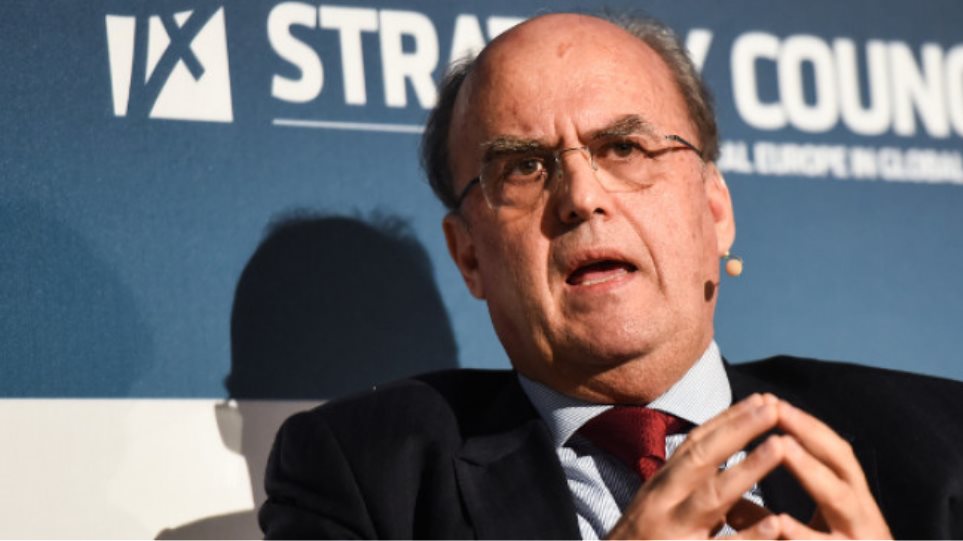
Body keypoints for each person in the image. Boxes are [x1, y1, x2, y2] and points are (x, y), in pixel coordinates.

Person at [258, 12, 963, 539]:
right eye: (523, 167)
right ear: (469, 254)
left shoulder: (940, 441)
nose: (581, 196)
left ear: (715, 210)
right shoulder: (363, 475)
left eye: (623, 148)